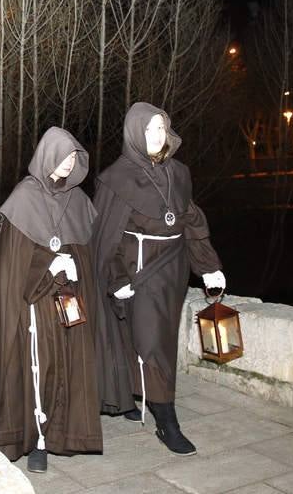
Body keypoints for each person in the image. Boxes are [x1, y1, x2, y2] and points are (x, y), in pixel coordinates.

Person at [91, 102, 225, 456]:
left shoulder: (178, 172)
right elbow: (107, 236)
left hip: (173, 269)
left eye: (162, 128)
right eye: (149, 129)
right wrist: (116, 275)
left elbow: (192, 221)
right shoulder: (116, 178)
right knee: (153, 344)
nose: (157, 136)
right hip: (137, 272)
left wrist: (208, 266)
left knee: (148, 339)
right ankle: (167, 422)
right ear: (134, 132)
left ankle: (127, 397)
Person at [0, 127, 102, 473]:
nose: (68, 163)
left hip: (68, 298)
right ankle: (37, 439)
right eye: (62, 155)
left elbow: (85, 252)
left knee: (66, 363)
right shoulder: (24, 197)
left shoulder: (78, 200)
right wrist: (48, 265)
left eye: (74, 157)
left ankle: (62, 432)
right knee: (38, 364)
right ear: (47, 155)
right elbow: (12, 264)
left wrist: (75, 267)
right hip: (35, 302)